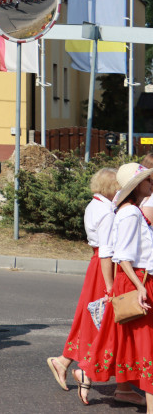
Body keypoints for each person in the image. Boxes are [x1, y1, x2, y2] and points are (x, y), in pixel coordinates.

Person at [46, 168, 141, 404]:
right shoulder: (108, 212)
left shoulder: (94, 205)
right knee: (104, 319)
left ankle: (66, 361)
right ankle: (86, 369)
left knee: (91, 317)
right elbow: (107, 249)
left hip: (96, 263)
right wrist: (110, 284)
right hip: (104, 267)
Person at [77, 163, 153, 408]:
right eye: (148, 180)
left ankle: (92, 375)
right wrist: (135, 287)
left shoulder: (132, 211)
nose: (152, 183)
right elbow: (120, 254)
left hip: (135, 278)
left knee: (120, 337)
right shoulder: (129, 213)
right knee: (137, 342)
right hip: (136, 279)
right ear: (137, 185)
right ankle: (89, 372)